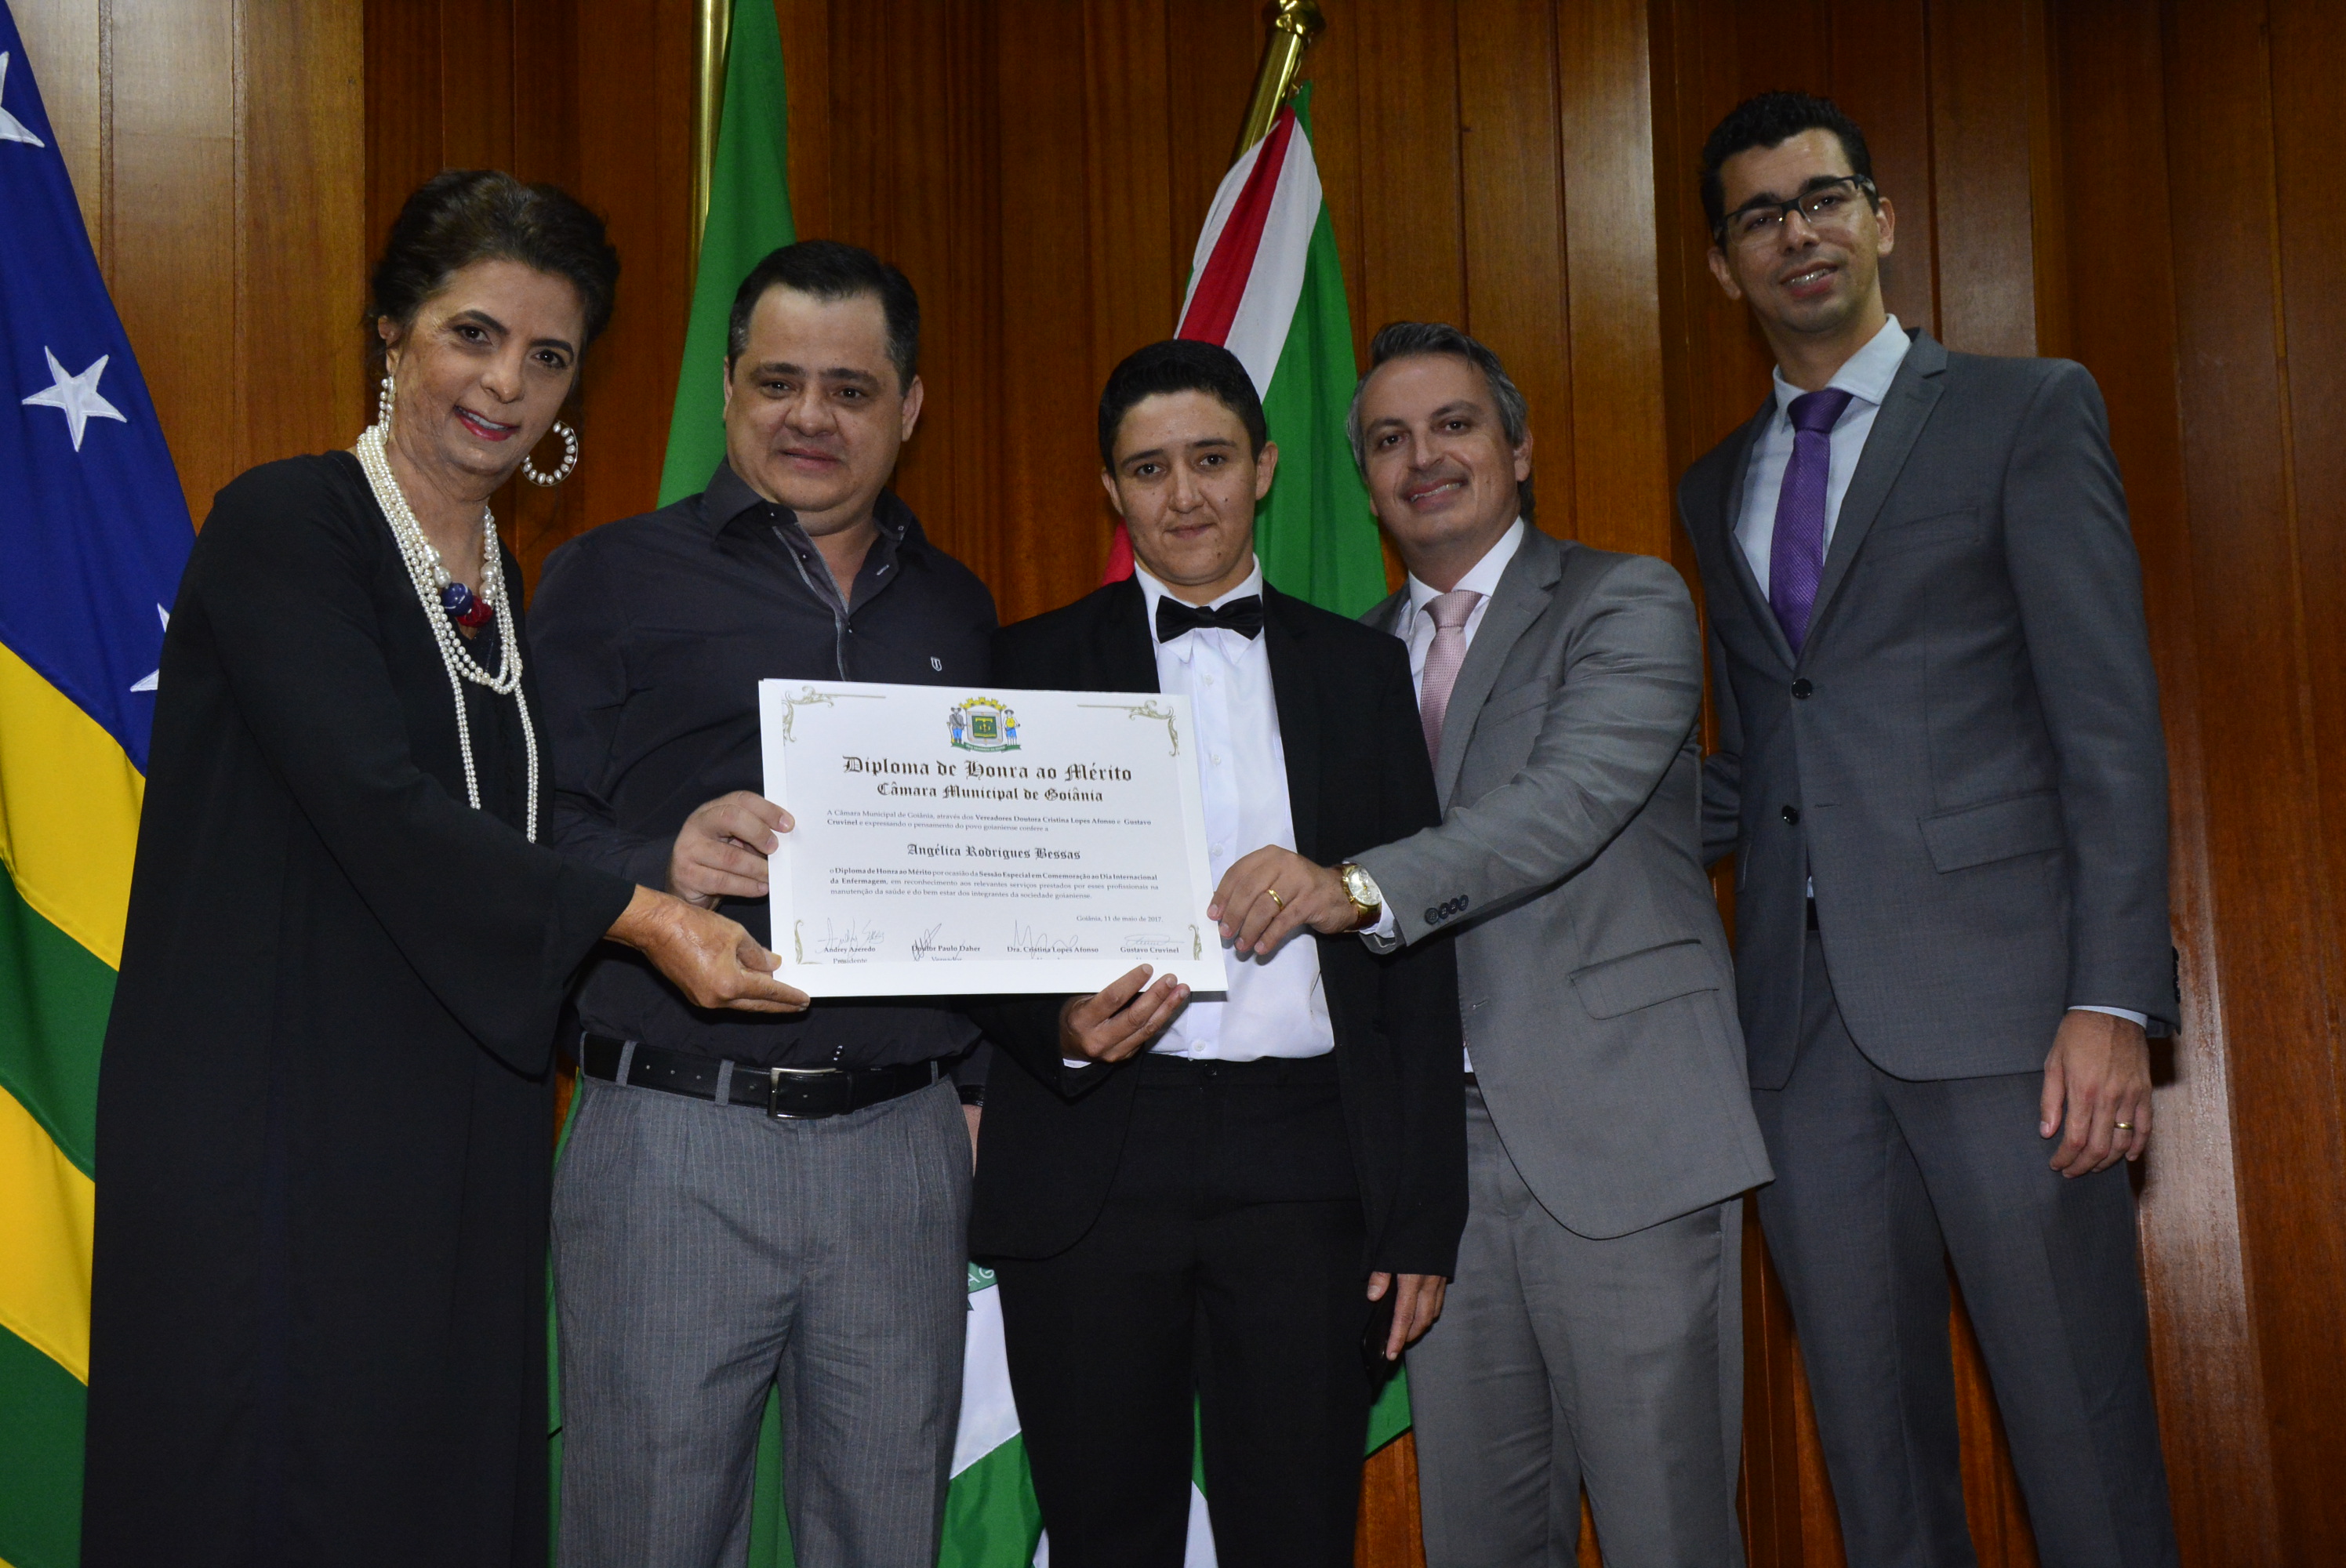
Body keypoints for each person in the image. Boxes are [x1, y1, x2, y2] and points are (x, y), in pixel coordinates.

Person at [80, 171, 804, 1568]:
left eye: (549, 355)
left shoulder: (498, 587)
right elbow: (375, 800)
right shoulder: (290, 524)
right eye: (474, 334)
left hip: (447, 1122)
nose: (506, 383)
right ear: (394, 329)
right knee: (282, 1477)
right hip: (277, 1117)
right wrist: (641, 916)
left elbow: (509, 830)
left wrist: (664, 864)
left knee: (430, 1478)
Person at [1678, 92, 2180, 1566]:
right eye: (1760, 217)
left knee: (2083, 1452)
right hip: (1797, 1035)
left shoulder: (2030, 409)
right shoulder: (1713, 486)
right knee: (1873, 1469)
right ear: (1723, 265)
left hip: (2015, 1021)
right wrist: (1518, 818)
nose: (1797, 233)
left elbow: (2107, 723)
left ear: (1881, 218)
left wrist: (2112, 997)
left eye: (1823, 198)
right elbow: (1766, 756)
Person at [1212, 324, 1771, 1567]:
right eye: (1389, 440)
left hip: (1622, 1136)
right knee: (1479, 1539)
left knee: (1667, 1532)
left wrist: (1354, 887)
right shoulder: (1345, 661)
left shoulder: (1626, 600)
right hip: (1433, 1169)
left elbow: (1565, 803)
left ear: (1518, 450)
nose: (1424, 458)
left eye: (1454, 425)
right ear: (1363, 482)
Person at [529, 240, 997, 1568]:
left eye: (850, 389)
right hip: (676, 1140)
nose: (810, 416)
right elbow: (525, 826)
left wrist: (975, 1092)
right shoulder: (609, 576)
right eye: (779, 381)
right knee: (649, 1537)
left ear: (909, 406)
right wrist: (659, 860)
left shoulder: (960, 607)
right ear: (730, 387)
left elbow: (982, 864)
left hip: (905, 1147)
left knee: (886, 1537)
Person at [968, 339, 1465, 1568]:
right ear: (1111, 488)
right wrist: (1052, 1025)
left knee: (1295, 1532)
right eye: (1150, 469)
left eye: (1211, 460)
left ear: (1265, 467)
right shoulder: (1023, 667)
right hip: (1092, 1146)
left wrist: (1421, 1219)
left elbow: (1415, 958)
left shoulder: (1364, 670)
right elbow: (970, 914)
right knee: (1104, 1535)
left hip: (1307, 1160)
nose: (1184, 495)